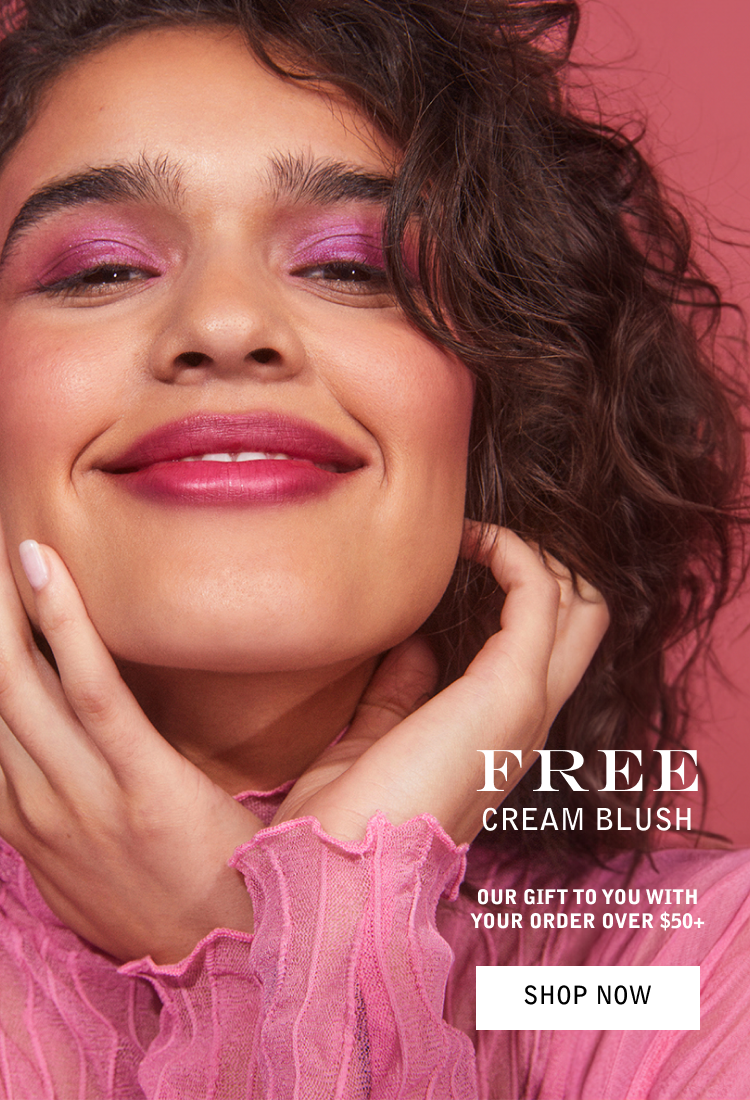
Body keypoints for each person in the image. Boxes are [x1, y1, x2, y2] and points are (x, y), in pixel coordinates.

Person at [0, 1, 747, 1097]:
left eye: (353, 266)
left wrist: (298, 943)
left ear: (496, 397)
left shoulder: (680, 973)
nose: (223, 323)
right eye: (100, 268)